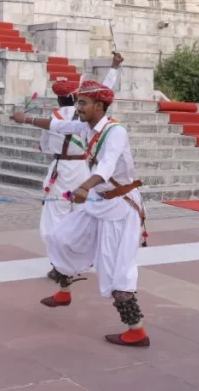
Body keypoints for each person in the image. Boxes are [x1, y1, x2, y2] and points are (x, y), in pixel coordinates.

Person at [10, 78, 151, 348]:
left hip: (120, 208)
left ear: (99, 105)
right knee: (61, 237)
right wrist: (25, 119)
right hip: (98, 202)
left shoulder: (115, 132)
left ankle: (136, 331)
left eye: (83, 102)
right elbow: (56, 125)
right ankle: (64, 292)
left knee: (115, 272)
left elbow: (107, 166)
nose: (78, 106)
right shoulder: (85, 125)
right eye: (78, 101)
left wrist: (85, 186)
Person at [39, 54, 123, 282]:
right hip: (82, 173)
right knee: (80, 214)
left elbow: (44, 146)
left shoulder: (53, 117)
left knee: (54, 216)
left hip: (59, 171)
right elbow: (104, 91)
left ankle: (58, 264)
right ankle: (80, 260)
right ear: (76, 97)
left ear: (58, 99)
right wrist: (114, 68)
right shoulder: (86, 116)